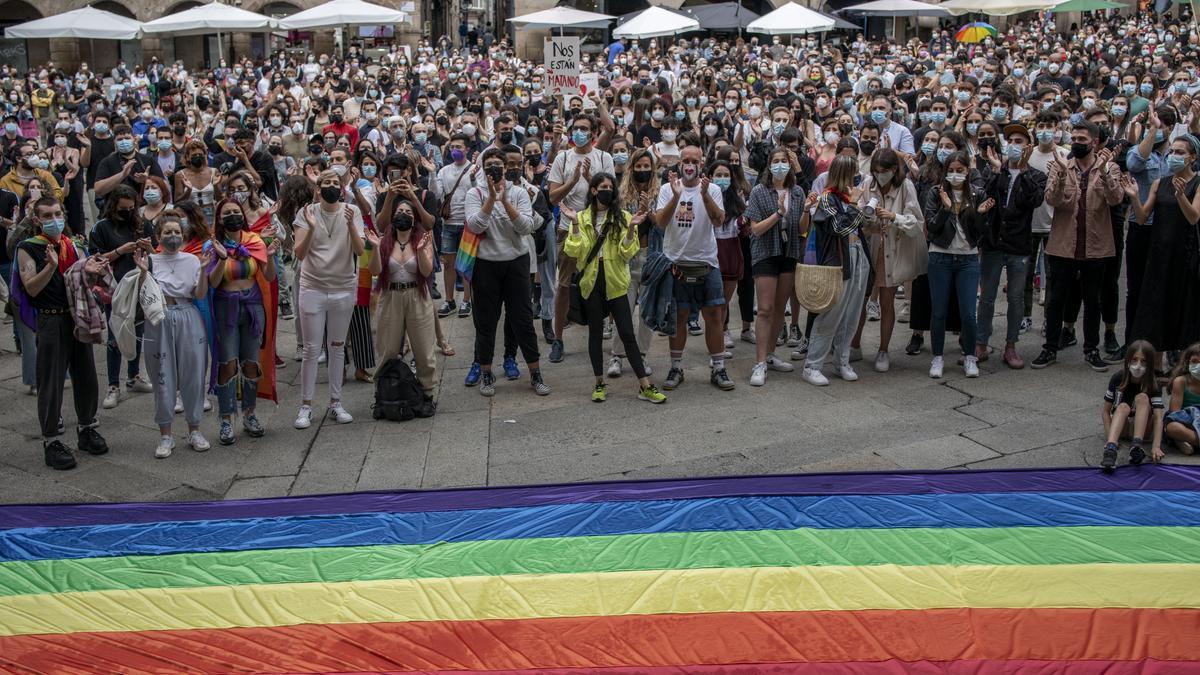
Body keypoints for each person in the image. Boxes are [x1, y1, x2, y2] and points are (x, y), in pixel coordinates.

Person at [16, 196, 110, 470]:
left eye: (57, 213)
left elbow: (83, 281)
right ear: (36, 220)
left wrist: (92, 272)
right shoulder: (29, 248)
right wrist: (50, 266)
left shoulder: (72, 245)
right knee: (52, 382)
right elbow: (31, 288)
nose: (54, 219)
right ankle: (51, 439)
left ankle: (87, 427)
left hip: (76, 316)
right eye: (47, 215)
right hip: (51, 320)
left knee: (86, 375)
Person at [561, 173, 665, 404]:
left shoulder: (624, 217)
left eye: (611, 186)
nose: (608, 190)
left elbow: (626, 252)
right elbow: (573, 250)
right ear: (594, 190)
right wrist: (575, 225)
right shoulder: (581, 217)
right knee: (595, 335)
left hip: (616, 282)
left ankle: (645, 385)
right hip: (591, 282)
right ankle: (599, 383)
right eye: (603, 186)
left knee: (627, 333)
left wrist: (631, 229)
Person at [1033, 121, 1123, 371]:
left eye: (1082, 139)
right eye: (1073, 138)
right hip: (1063, 246)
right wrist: (1061, 174)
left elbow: (1115, 199)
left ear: (1094, 142)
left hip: (1096, 246)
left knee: (1092, 301)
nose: (1076, 143)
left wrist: (1104, 171)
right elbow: (1051, 199)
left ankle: (1091, 349)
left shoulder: (1110, 167)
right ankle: (1050, 348)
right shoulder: (1061, 166)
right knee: (1056, 299)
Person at [464, 146, 549, 397]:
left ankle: (535, 373)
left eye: (497, 165)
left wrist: (505, 201)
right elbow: (475, 226)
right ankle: (487, 373)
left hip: (516, 263)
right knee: (486, 322)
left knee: (522, 320)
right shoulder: (474, 194)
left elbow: (525, 227)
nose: (494, 169)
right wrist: (490, 198)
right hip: (485, 264)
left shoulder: (521, 193)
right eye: (488, 164)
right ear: (481, 168)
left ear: (505, 167)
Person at [134, 211, 213, 457]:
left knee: (194, 373)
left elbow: (199, 294)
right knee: (162, 376)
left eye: (177, 232)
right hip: (160, 318)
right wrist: (143, 272)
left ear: (184, 235)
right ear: (158, 235)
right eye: (167, 232)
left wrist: (203, 270)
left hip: (188, 315)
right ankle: (165, 435)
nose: (172, 236)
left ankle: (195, 429)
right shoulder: (151, 261)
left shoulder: (191, 260)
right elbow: (141, 295)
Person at [655, 144, 732, 391]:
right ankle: (676, 367)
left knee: (714, 316)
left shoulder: (714, 189)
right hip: (676, 263)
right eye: (685, 160)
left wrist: (707, 194)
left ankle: (719, 369)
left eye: (694, 160)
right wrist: (677, 197)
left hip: (707, 261)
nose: (689, 164)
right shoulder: (667, 189)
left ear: (702, 164)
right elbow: (660, 223)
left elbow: (719, 221)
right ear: (679, 163)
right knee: (679, 317)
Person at [293, 168, 365, 427]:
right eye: (327, 183)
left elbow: (359, 250)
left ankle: (336, 402)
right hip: (313, 286)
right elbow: (300, 254)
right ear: (318, 188)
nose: (332, 186)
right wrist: (311, 228)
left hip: (343, 287)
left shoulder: (352, 212)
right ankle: (306, 406)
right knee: (312, 349)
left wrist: (350, 226)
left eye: (336, 182)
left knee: (337, 346)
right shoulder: (306, 213)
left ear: (342, 188)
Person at [1123, 135, 1200, 361]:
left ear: (1192, 158)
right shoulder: (1160, 182)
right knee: (1156, 306)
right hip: (1158, 253)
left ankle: (1184, 366)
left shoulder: (1197, 183)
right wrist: (1135, 197)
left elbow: (1193, 217)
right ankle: (1156, 366)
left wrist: (1180, 196)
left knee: (1184, 306)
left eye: (1180, 153)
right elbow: (1142, 217)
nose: (1173, 156)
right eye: (1172, 152)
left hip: (1185, 254)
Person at [976, 124, 1046, 370]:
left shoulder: (1036, 174)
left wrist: (1024, 171)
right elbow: (983, 196)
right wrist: (996, 171)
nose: (1013, 145)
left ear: (1028, 145)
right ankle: (981, 343)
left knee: (1016, 298)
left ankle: (1011, 346)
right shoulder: (994, 170)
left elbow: (1034, 200)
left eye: (1019, 140)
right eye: (1010, 140)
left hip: (1019, 244)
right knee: (986, 297)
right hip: (994, 242)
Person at [208, 197, 277, 445]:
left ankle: (250, 414)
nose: (232, 216)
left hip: (252, 307)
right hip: (226, 307)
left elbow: (268, 276)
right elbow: (213, 283)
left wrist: (269, 256)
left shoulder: (254, 242)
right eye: (227, 213)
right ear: (219, 219)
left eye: (236, 212)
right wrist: (222, 259)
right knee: (227, 363)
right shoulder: (213, 245)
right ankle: (226, 419)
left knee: (251, 362)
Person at [547, 113, 614, 363]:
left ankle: (610, 335)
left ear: (594, 134)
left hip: (597, 230)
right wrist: (573, 181)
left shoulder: (603, 158)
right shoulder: (563, 158)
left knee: (604, 283)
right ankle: (558, 339)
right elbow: (553, 198)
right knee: (564, 285)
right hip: (569, 228)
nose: (579, 133)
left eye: (584, 129)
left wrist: (588, 180)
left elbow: (609, 195)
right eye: (575, 128)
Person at [923, 151, 992, 379]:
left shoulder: (977, 193)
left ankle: (970, 357)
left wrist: (980, 215)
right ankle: (937, 357)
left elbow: (981, 233)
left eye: (959, 170)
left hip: (968, 259)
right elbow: (932, 227)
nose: (955, 175)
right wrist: (946, 208)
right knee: (939, 311)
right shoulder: (936, 193)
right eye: (951, 170)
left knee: (968, 314)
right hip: (940, 256)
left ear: (967, 171)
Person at [801, 155, 869, 386]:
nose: (857, 177)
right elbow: (840, 227)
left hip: (858, 255)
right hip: (838, 260)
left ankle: (842, 360)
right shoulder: (828, 198)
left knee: (852, 313)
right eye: (854, 173)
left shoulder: (849, 197)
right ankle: (813, 365)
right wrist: (853, 205)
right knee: (831, 313)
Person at [857, 148, 925, 373]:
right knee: (861, 301)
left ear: (894, 169)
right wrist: (868, 218)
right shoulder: (868, 184)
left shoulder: (905, 186)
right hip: (870, 248)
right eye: (876, 171)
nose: (879, 175)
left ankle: (883, 349)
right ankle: (854, 343)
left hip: (892, 250)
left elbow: (917, 223)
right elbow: (859, 216)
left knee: (886, 302)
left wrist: (893, 217)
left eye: (884, 171)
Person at [89, 185, 157, 408]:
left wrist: (149, 248)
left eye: (131, 208)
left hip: (140, 285)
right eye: (123, 209)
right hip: (114, 289)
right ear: (113, 207)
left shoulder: (142, 223)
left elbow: (158, 252)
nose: (128, 212)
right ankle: (113, 384)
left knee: (138, 331)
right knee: (115, 336)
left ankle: (134, 375)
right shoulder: (102, 228)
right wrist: (119, 251)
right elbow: (93, 261)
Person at [367, 198, 438, 403]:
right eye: (400, 211)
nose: (404, 214)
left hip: (417, 295)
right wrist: (374, 248)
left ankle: (427, 391)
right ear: (392, 217)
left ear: (414, 218)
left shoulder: (423, 239)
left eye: (408, 212)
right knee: (387, 348)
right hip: (390, 297)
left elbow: (426, 271)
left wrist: (420, 250)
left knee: (424, 349)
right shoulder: (383, 241)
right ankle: (384, 391)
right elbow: (375, 271)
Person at [744, 148, 804, 387]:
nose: (780, 165)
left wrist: (808, 210)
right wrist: (778, 213)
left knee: (780, 307)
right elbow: (755, 229)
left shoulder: (797, 192)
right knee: (766, 309)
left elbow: (800, 229)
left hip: (789, 253)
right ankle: (759, 362)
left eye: (784, 161)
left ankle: (770, 354)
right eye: (776, 161)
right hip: (765, 252)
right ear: (769, 166)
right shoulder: (759, 191)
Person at [432, 133, 479, 318]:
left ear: (467, 149)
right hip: (449, 224)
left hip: (467, 223)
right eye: (452, 147)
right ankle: (449, 300)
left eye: (459, 147)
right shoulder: (444, 171)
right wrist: (431, 172)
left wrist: (475, 177)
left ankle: (467, 301)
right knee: (449, 264)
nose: (455, 150)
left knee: (465, 264)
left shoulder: (474, 168)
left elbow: (478, 191)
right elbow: (437, 193)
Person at [1100, 340, 1163, 472]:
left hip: (1143, 430)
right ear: (1127, 360)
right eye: (1134, 360)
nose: (1138, 365)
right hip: (1122, 427)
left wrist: (1156, 446)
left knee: (1142, 397)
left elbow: (1158, 417)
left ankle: (1136, 446)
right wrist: (1109, 437)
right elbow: (1106, 411)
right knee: (1123, 406)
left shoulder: (1153, 382)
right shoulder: (1118, 378)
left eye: (1143, 361)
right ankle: (1110, 450)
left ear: (1150, 364)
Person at [1165, 342, 1200, 457]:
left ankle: (1186, 441)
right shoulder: (1181, 381)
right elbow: (1175, 414)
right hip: (1186, 421)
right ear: (1187, 363)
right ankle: (1187, 439)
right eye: (1195, 361)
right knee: (1171, 427)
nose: (1198, 365)